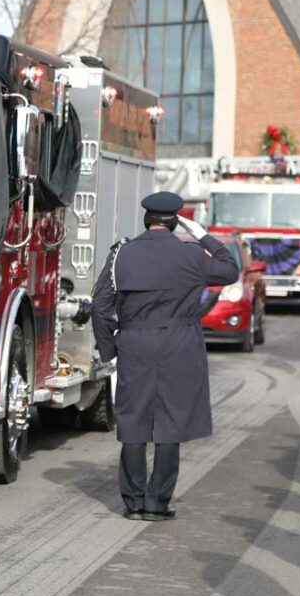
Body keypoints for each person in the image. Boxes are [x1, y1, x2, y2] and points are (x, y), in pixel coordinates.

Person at [91, 191, 239, 521]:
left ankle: (133, 502)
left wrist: (110, 348)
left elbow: (100, 306)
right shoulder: (191, 254)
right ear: (175, 223)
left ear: (146, 219)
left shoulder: (122, 254)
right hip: (180, 343)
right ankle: (157, 503)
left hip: (135, 342)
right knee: (171, 422)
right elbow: (229, 270)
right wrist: (201, 234)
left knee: (134, 419)